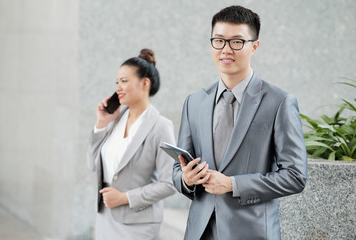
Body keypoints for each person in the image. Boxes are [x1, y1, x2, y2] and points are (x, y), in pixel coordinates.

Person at [172, 5, 307, 240]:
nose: (226, 50)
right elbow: (177, 168)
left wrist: (233, 184)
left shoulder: (280, 102)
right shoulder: (194, 102)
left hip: (252, 232)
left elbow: (295, 176)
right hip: (199, 231)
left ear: (254, 46)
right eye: (219, 41)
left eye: (237, 42)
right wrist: (186, 179)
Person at [87, 49, 176, 240]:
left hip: (138, 224)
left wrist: (125, 198)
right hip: (105, 217)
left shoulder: (161, 127)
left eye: (124, 81)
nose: (118, 87)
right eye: (117, 82)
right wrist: (101, 124)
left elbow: (170, 183)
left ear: (145, 83)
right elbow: (93, 165)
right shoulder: (114, 120)